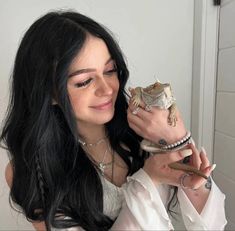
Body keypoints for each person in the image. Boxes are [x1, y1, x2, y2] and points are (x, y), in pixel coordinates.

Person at [0, 10, 227, 231]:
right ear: (49, 93)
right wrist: (148, 180)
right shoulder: (30, 168)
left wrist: (178, 139)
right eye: (84, 81)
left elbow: (212, 224)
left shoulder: (144, 132)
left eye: (110, 70)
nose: (107, 88)